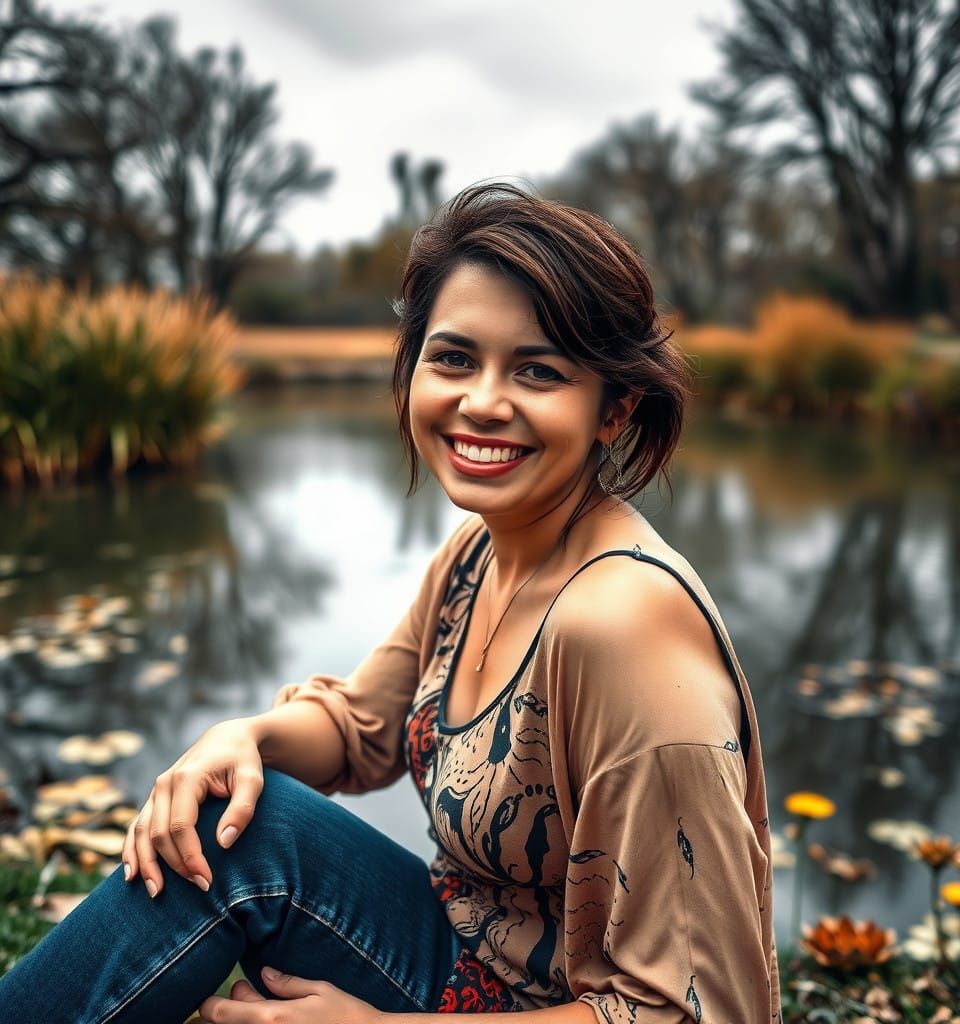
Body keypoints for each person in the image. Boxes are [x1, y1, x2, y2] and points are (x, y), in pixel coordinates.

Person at [0, 183, 781, 1023]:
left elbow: (701, 1012)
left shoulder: (623, 629)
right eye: (453, 359)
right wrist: (240, 738)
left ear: (613, 408)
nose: (482, 401)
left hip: (545, 1008)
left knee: (247, 847)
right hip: (457, 953)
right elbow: (362, 730)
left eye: (539, 371)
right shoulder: (482, 553)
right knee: (237, 825)